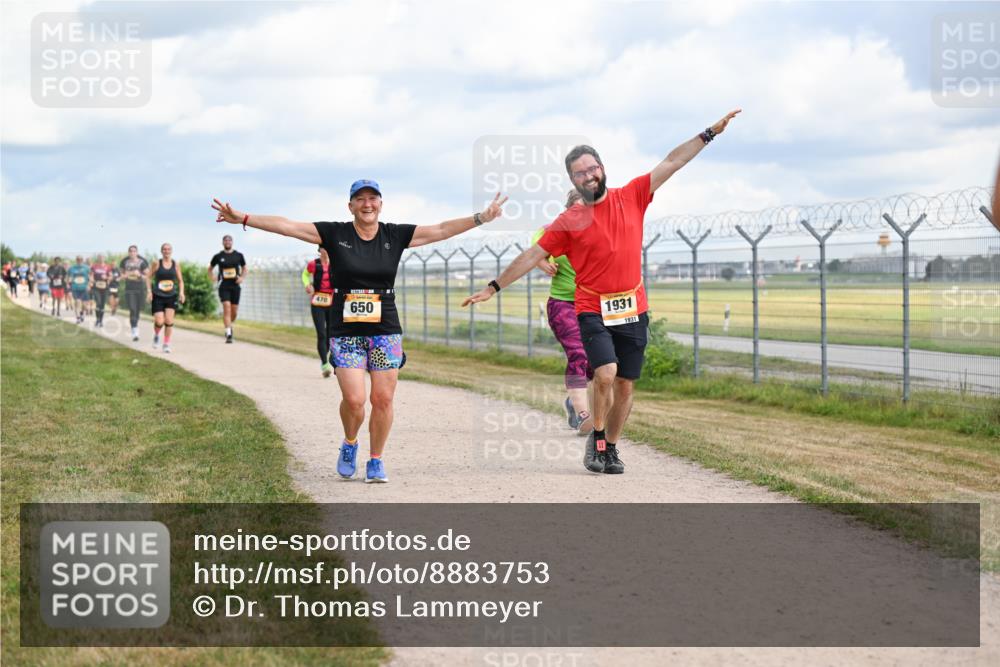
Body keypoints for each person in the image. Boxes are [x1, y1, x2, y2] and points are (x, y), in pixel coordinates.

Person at [463, 110, 741, 475]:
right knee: (606, 373)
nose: (589, 175)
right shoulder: (568, 221)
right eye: (580, 173)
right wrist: (493, 287)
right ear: (572, 180)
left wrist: (710, 133)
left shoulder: (633, 195)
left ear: (602, 168)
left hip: (632, 306)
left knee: (625, 384)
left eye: (592, 168)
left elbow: (673, 161)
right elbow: (533, 254)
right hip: (592, 307)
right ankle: (595, 439)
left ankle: (610, 448)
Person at [212, 179, 507, 483]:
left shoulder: (395, 234)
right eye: (360, 199)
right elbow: (287, 225)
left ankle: (376, 460)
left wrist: (481, 218)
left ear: (381, 204)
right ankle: (350, 442)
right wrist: (244, 218)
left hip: (385, 329)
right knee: (354, 400)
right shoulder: (334, 233)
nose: (367, 204)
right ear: (350, 205)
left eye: (373, 199)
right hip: (346, 331)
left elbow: (441, 229)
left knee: (382, 399)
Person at [532, 189, 593, 434]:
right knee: (578, 354)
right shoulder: (552, 230)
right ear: (568, 209)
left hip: (594, 304)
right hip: (563, 303)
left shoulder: (597, 231)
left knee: (599, 363)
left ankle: (572, 400)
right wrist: (543, 263)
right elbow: (534, 254)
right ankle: (583, 415)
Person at [303, 246, 336, 377]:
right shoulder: (313, 264)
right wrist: (307, 285)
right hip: (317, 302)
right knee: (321, 333)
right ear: (320, 250)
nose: (327, 250)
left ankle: (326, 358)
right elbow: (305, 274)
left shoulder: (336, 263)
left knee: (329, 334)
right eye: (324, 248)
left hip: (332, 302)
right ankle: (324, 364)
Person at [208, 235, 248, 343]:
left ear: (232, 242)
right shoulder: (218, 256)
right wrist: (212, 277)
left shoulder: (238, 255)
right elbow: (210, 268)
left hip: (235, 286)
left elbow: (245, 268)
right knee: (227, 307)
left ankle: (229, 324)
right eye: (225, 240)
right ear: (222, 243)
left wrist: (242, 278)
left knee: (234, 311)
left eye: (229, 240)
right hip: (224, 285)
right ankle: (229, 333)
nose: (227, 242)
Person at [147, 243, 185, 353]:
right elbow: (148, 277)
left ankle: (166, 343)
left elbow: (180, 281)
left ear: (171, 251)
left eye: (168, 249)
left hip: (171, 296)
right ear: (161, 251)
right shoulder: (156, 263)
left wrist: (181, 293)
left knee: (169, 321)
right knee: (159, 321)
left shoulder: (175, 264)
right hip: (158, 296)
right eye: (164, 249)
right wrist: (149, 291)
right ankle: (157, 334)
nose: (166, 251)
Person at [120, 245, 150, 341]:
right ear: (128, 252)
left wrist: (140, 275)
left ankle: (135, 325)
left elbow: (148, 276)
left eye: (134, 251)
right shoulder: (124, 262)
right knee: (132, 309)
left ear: (137, 252)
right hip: (129, 288)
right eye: (130, 251)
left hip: (140, 288)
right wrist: (125, 275)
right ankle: (134, 331)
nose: (132, 253)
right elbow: (121, 275)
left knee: (137, 309)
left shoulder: (142, 262)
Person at [89, 254, 113, 328]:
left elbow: (111, 276)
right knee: (98, 303)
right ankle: (97, 319)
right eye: (100, 257)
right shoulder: (94, 266)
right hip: (96, 287)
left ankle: (101, 321)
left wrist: (107, 277)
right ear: (98, 259)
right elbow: (91, 275)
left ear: (104, 259)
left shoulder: (108, 267)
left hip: (105, 287)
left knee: (102, 305)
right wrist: (91, 280)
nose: (101, 258)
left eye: (102, 257)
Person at [67, 256, 90, 323]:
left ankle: (82, 313)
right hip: (75, 287)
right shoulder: (71, 268)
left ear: (82, 260)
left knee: (84, 305)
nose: (79, 261)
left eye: (80, 260)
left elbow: (90, 276)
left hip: (84, 288)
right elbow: (68, 276)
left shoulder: (86, 268)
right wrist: (68, 284)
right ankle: (78, 318)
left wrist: (89, 284)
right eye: (78, 260)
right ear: (76, 260)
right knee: (77, 302)